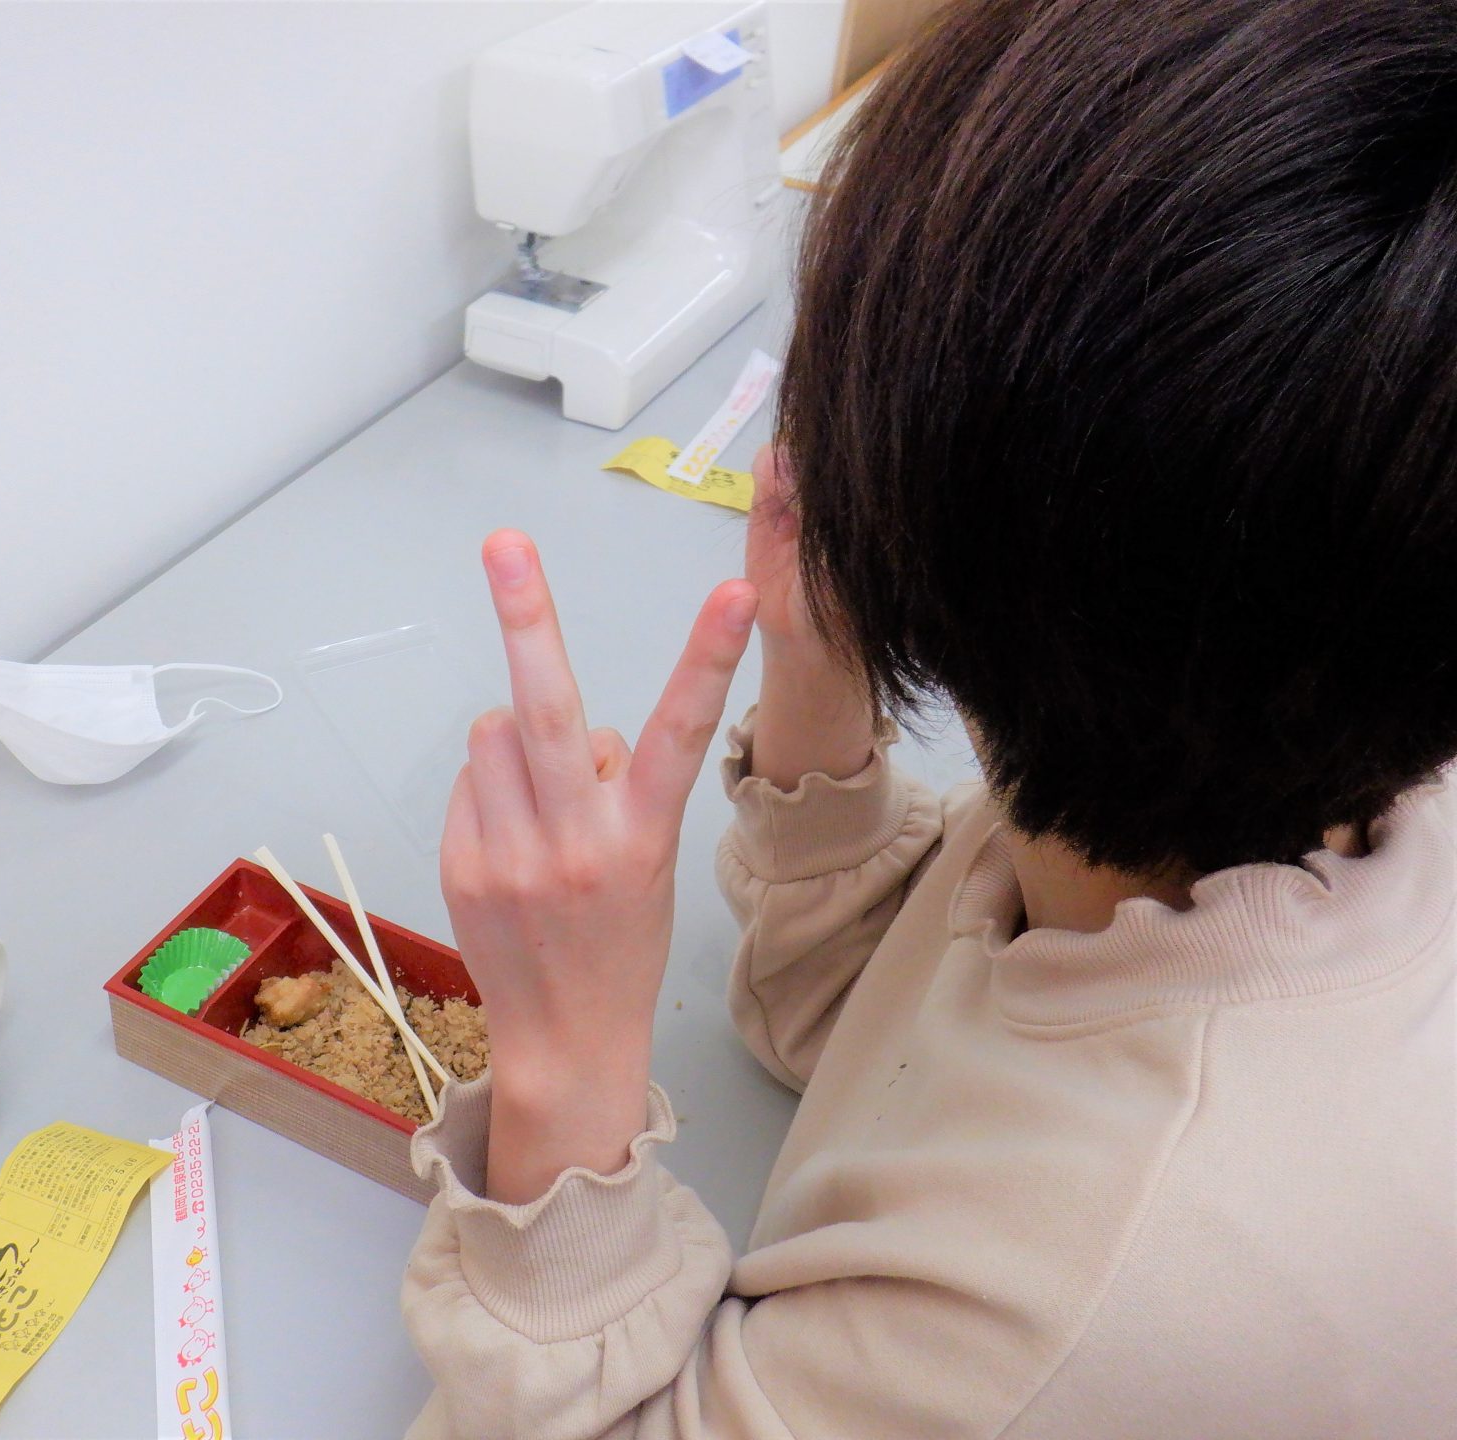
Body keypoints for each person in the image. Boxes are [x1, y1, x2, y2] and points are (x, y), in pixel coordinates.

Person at [398, 0, 1457, 1435]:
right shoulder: (1254, 746)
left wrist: (564, 1062)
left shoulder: (1058, 1308)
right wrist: (823, 663)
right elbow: (857, 1041)